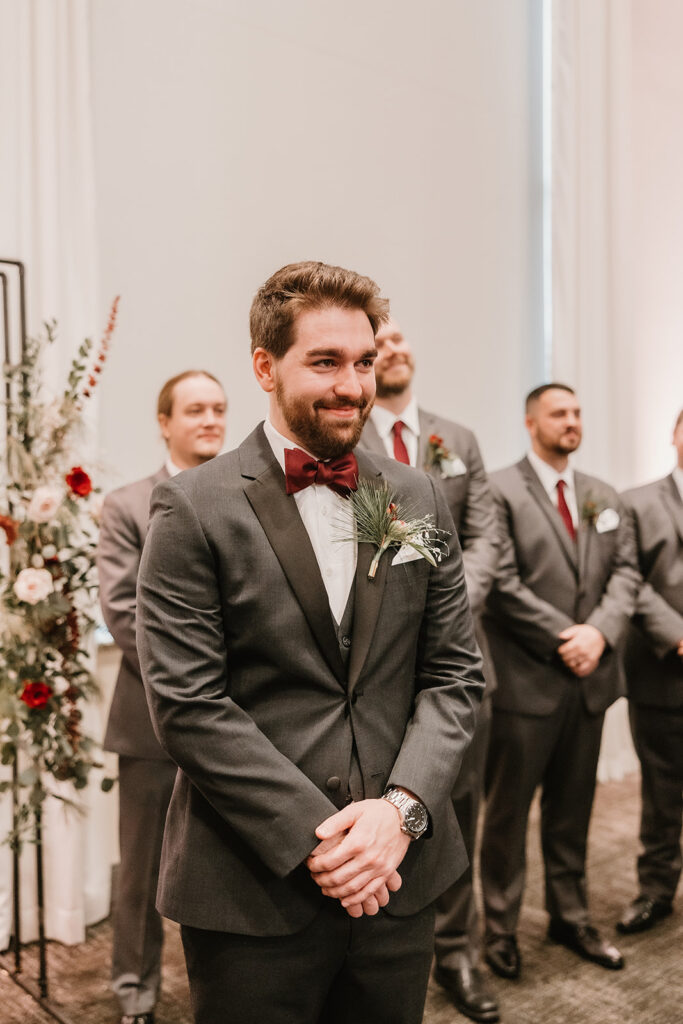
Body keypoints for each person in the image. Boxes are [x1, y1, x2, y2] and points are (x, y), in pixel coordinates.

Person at [135, 261, 485, 1024]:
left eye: (362, 362)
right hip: (253, 884)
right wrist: (326, 844)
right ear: (264, 366)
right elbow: (188, 703)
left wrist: (399, 813)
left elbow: (455, 675)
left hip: (400, 875)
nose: (352, 385)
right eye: (324, 362)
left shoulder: (414, 493)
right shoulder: (192, 508)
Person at [360, 317, 500, 1023]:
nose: (392, 350)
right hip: (374, 670)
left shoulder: (457, 439)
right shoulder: (344, 439)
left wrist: (451, 599)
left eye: (399, 341)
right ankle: (376, 949)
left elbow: (484, 535)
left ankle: (458, 954)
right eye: (377, 344)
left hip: (454, 660)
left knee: (458, 813)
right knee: (380, 804)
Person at [479, 383, 639, 979]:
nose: (572, 422)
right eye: (559, 413)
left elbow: (625, 573)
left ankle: (571, 917)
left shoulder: (602, 494)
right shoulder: (498, 490)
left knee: (574, 811)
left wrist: (597, 633)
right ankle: (498, 928)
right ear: (530, 422)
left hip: (589, 682)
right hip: (526, 683)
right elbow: (500, 580)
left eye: (577, 413)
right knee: (507, 814)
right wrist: (563, 636)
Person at [98, 370, 227, 1024]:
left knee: (227, 875)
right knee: (142, 871)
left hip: (238, 726)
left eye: (218, 409)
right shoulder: (126, 506)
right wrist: (204, 687)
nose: (210, 419)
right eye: (195, 409)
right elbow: (124, 614)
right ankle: (136, 996)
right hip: (151, 724)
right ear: (164, 420)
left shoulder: (245, 497)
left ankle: (225, 997)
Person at [617, 408, 683, 935]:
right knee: (663, 791)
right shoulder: (637, 502)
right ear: (674, 435)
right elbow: (627, 580)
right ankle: (657, 889)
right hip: (665, 671)